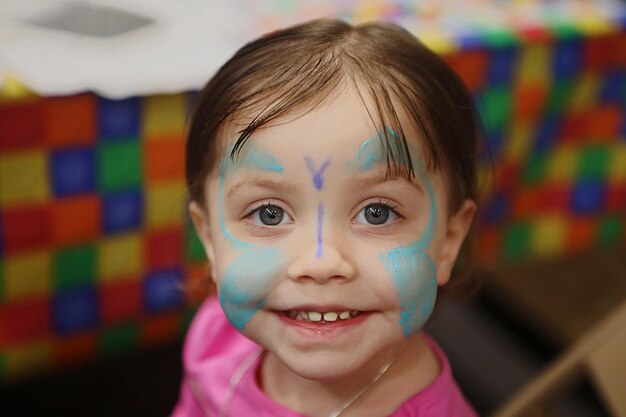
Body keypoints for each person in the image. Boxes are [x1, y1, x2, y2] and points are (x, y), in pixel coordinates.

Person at [173, 18, 480, 417]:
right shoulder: (216, 339)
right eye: (268, 214)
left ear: (449, 242)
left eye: (377, 212)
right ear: (210, 240)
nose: (320, 263)